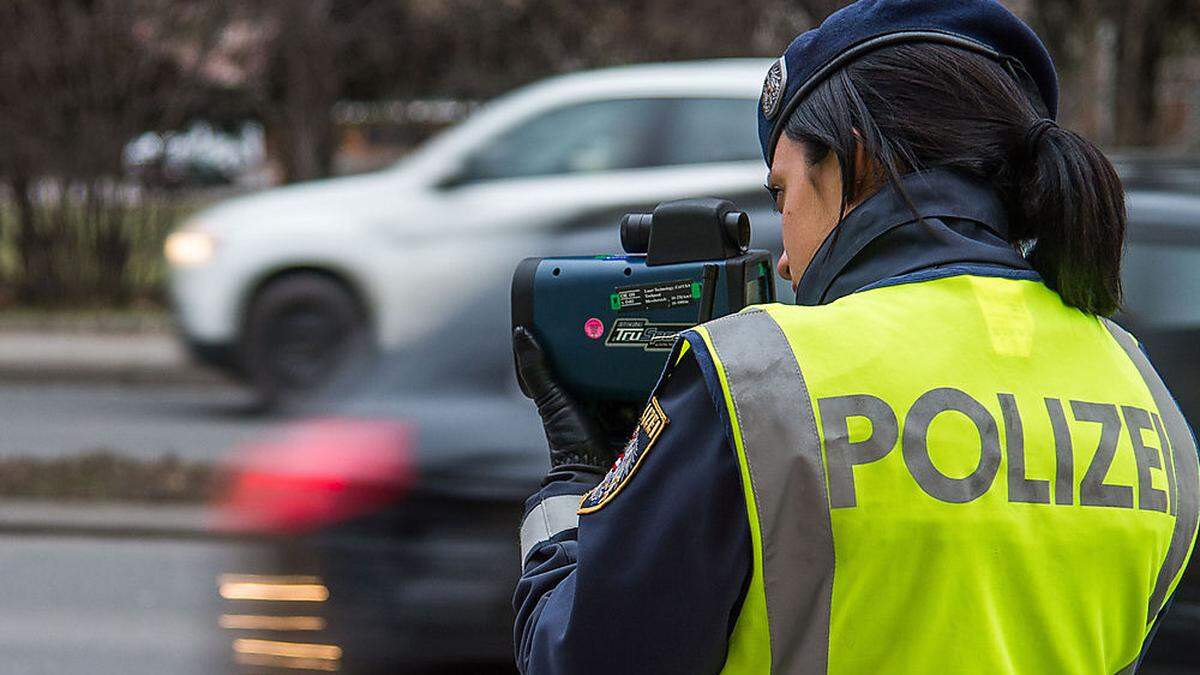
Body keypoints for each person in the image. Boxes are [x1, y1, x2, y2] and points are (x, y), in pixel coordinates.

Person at [511, 0, 1200, 672]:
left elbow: (577, 653)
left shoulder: (758, 383)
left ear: (850, 160)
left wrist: (572, 494)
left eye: (783, 195)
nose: (782, 257)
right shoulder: (1150, 408)